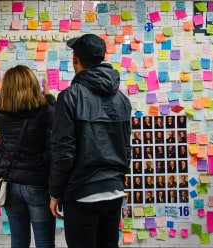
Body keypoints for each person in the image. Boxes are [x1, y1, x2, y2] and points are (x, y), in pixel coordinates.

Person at [50, 34, 131, 248]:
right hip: (114, 191)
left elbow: (63, 152)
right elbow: (126, 148)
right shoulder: (122, 99)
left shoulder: (69, 97)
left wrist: (55, 193)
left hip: (82, 194)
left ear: (75, 58)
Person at [0, 65, 56, 248]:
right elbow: (61, 122)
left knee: (18, 241)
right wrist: (49, 97)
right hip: (37, 184)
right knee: (44, 242)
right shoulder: (44, 112)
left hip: (10, 184)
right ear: (33, 86)